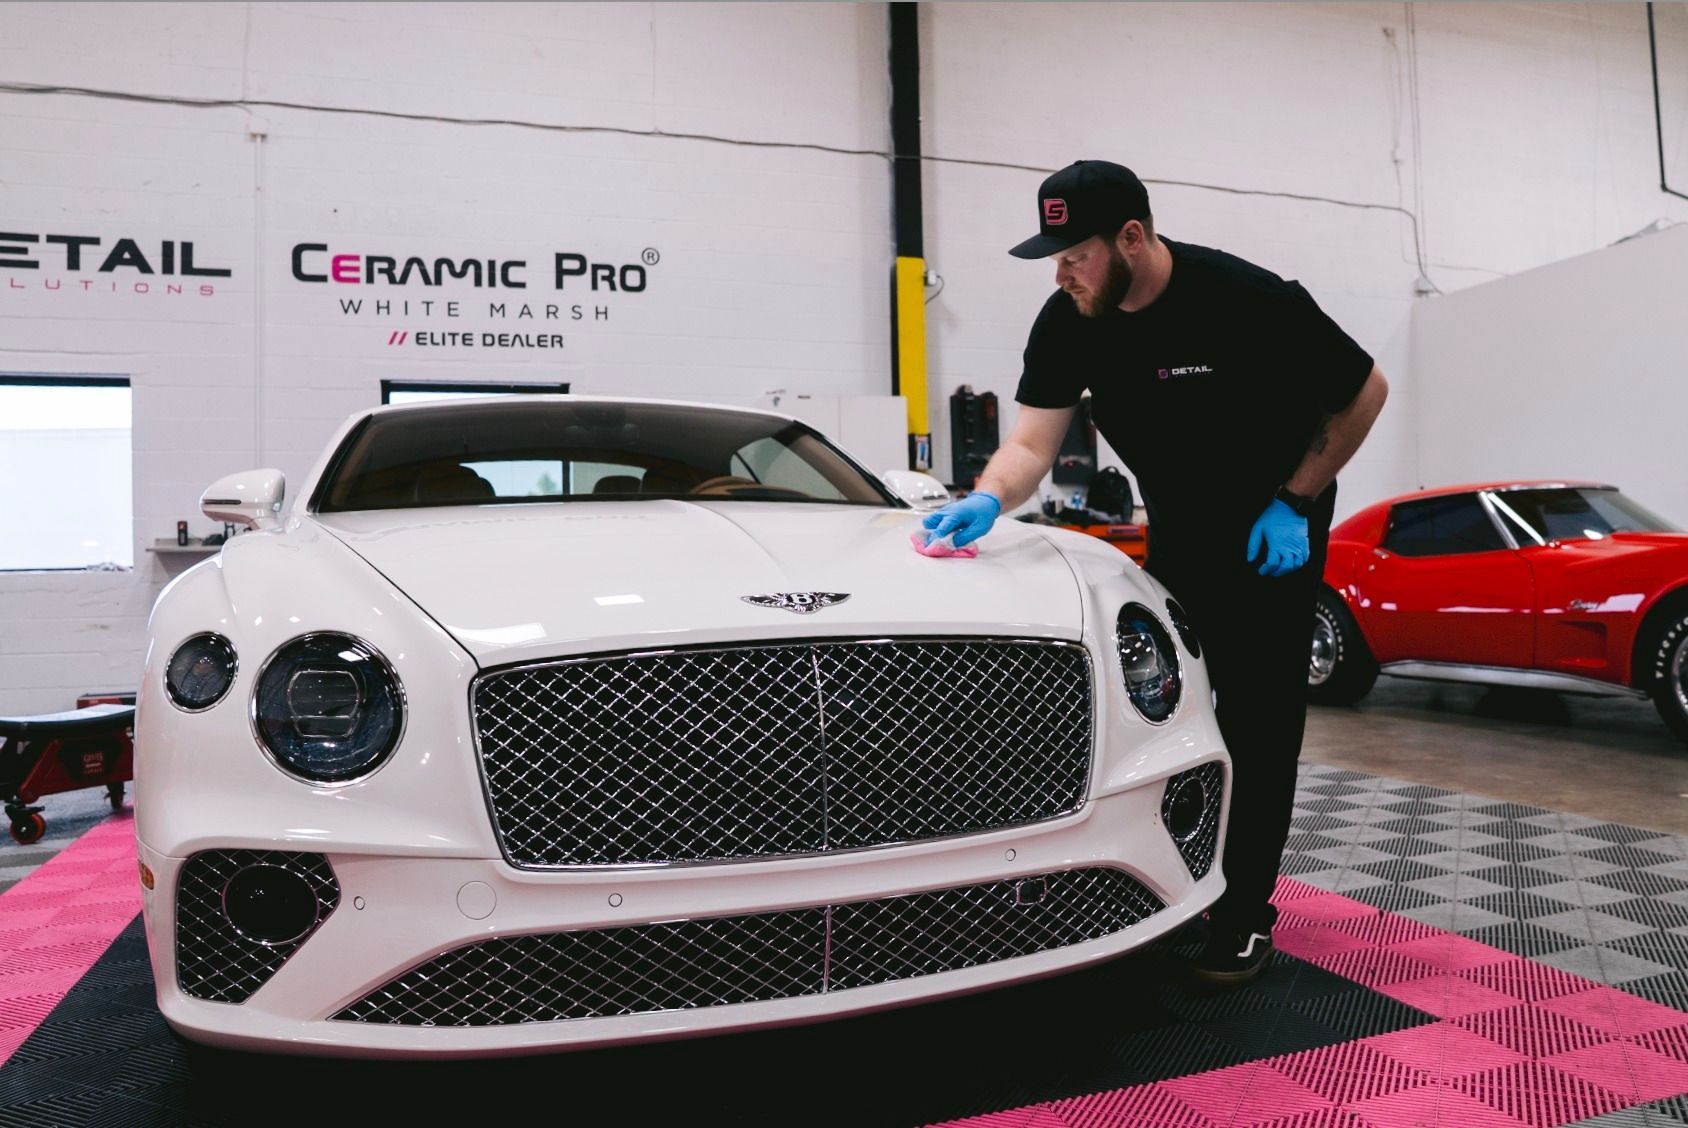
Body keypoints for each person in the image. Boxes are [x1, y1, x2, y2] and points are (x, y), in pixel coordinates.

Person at [923, 160, 1388, 986]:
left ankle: (1244, 913)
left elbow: (1364, 391)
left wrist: (1297, 498)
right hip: (1177, 535)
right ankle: (1173, 886)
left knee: (1259, 723)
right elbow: (1032, 442)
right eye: (1053, 256)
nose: (1060, 271)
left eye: (1075, 253)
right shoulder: (1071, 318)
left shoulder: (1251, 299)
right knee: (1172, 718)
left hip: (1270, 535)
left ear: (1132, 238)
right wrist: (988, 498)